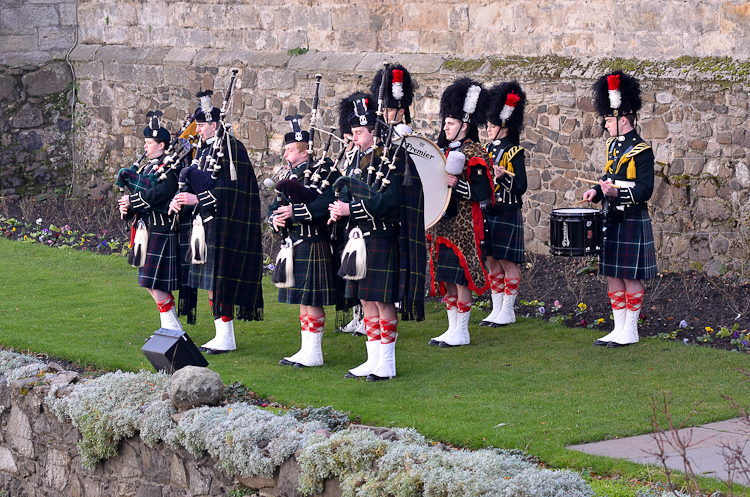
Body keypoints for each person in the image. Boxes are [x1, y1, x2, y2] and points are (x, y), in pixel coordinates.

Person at [329, 88, 424, 381]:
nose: (354, 138)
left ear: (374, 133)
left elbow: (390, 202)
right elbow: (346, 190)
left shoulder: (393, 159)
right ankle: (372, 360)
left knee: (383, 302)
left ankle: (388, 363)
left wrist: (351, 209)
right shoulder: (356, 161)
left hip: (381, 237)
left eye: (359, 132)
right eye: (353, 133)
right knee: (366, 300)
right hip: (359, 238)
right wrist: (337, 206)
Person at [169, 92, 264, 354]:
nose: (197, 130)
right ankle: (222, 335)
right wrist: (182, 198)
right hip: (207, 225)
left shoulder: (232, 149)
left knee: (220, 282)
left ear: (214, 124)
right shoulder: (206, 148)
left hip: (226, 225)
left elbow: (232, 191)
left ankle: (226, 337)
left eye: (201, 125)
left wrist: (197, 198)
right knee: (211, 282)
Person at [582, 70, 657, 348]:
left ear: (623, 119)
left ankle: (632, 330)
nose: (604, 124)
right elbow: (608, 177)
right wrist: (597, 189)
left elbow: (646, 190)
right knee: (612, 273)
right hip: (611, 216)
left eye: (608, 119)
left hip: (631, 216)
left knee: (630, 275)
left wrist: (618, 191)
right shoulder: (613, 147)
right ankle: (618, 328)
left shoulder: (642, 150)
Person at [268, 115, 341, 367]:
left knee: (312, 299)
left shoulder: (325, 171)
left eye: (289, 150)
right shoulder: (289, 176)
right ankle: (306, 349)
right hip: (294, 243)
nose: (286, 154)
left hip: (314, 241)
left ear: (304, 150)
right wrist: (275, 220)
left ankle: (315, 353)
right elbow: (272, 208)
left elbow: (325, 204)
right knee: (303, 299)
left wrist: (294, 213)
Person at [427, 78, 492, 347]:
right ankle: (452, 327)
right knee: (447, 279)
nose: (446, 127)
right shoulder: (443, 151)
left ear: (464, 126)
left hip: (464, 224)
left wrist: (459, 184)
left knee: (462, 278)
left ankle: (462, 331)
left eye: (450, 123)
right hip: (442, 225)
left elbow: (484, 191)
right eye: (445, 123)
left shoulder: (475, 151)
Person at [117, 111, 184, 332]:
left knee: (154, 283)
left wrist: (132, 200)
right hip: (146, 230)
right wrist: (126, 208)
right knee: (149, 283)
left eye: (149, 143)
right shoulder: (147, 168)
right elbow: (141, 198)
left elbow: (158, 195)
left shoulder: (170, 169)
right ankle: (171, 328)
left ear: (162, 145)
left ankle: (172, 330)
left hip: (161, 229)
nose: (145, 147)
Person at [480, 82, 527, 327]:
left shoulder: (514, 153)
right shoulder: (486, 150)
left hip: (508, 209)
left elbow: (521, 187)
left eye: (492, 125)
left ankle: (508, 310)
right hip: (489, 210)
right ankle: (496, 308)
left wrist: (502, 179)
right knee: (491, 260)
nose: (488, 129)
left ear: (504, 126)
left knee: (508, 261)